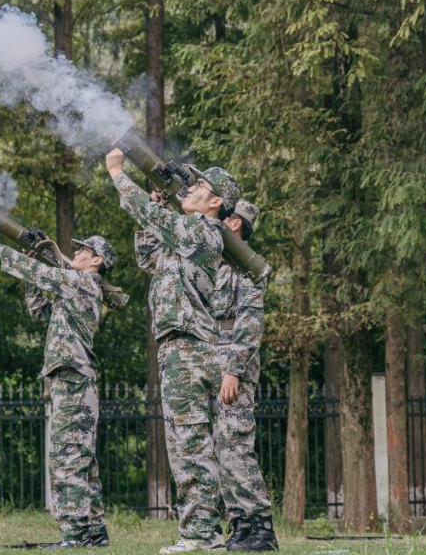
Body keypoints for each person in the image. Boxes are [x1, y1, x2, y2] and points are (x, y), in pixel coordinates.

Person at [106, 148, 239, 554]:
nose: (191, 188)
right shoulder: (185, 234)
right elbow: (149, 256)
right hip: (176, 348)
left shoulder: (206, 232)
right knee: (183, 445)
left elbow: (152, 217)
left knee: (191, 444)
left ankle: (202, 536)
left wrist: (117, 173)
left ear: (216, 201)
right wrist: (159, 205)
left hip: (190, 347)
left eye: (200, 186)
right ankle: (199, 532)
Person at [0, 225, 115, 549]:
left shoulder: (83, 283)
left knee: (68, 458)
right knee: (82, 460)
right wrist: (33, 269)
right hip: (72, 380)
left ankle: (74, 536)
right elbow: (40, 310)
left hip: (74, 381)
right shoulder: (74, 288)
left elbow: (41, 273)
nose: (76, 252)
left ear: (97, 261)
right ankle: (94, 532)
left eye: (83, 250)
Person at [213, 200, 278, 552]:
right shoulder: (215, 262)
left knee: (235, 445)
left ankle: (261, 527)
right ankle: (240, 524)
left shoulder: (248, 265)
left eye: (222, 217)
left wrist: (233, 370)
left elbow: (250, 323)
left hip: (232, 367)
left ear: (235, 223)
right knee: (221, 449)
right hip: (211, 359)